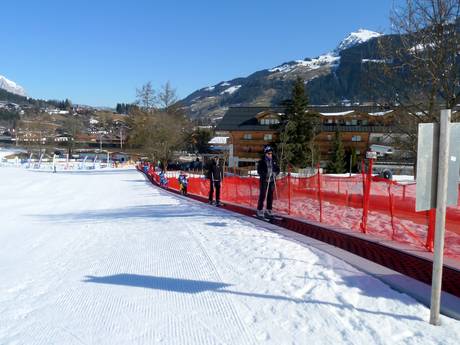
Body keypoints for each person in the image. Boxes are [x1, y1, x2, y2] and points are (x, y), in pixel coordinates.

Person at [257, 145, 280, 218]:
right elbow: (259, 171)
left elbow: (277, 169)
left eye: (271, 153)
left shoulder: (274, 161)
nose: (270, 155)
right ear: (265, 153)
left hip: (272, 181)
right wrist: (265, 175)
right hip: (264, 180)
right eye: (268, 153)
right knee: (263, 194)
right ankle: (259, 210)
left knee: (270, 195)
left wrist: (275, 173)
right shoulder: (262, 161)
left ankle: (268, 209)